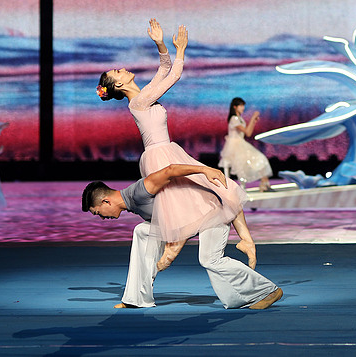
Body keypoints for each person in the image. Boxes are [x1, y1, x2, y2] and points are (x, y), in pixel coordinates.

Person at [96, 19, 258, 271]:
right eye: (117, 72)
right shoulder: (138, 103)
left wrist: (160, 43)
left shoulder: (142, 97)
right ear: (117, 85)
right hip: (161, 156)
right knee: (195, 198)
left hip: (167, 151)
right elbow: (174, 75)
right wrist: (181, 48)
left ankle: (246, 241)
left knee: (218, 188)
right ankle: (173, 248)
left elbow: (164, 70)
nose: (121, 69)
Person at [82, 163, 283, 310]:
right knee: (142, 231)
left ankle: (267, 290)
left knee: (209, 259)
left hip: (211, 212)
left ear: (106, 202)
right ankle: (136, 298)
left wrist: (205, 169)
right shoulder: (133, 204)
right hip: (195, 219)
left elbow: (170, 171)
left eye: (98, 212)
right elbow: (173, 221)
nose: (101, 218)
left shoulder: (139, 192)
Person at [219, 97, 274, 192]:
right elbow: (247, 132)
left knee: (260, 158)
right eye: (241, 105)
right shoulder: (234, 119)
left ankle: (265, 184)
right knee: (257, 159)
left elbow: (248, 133)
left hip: (240, 143)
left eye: (243, 105)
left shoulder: (239, 118)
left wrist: (253, 121)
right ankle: (264, 185)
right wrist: (252, 118)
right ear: (235, 107)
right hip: (235, 146)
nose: (243, 107)